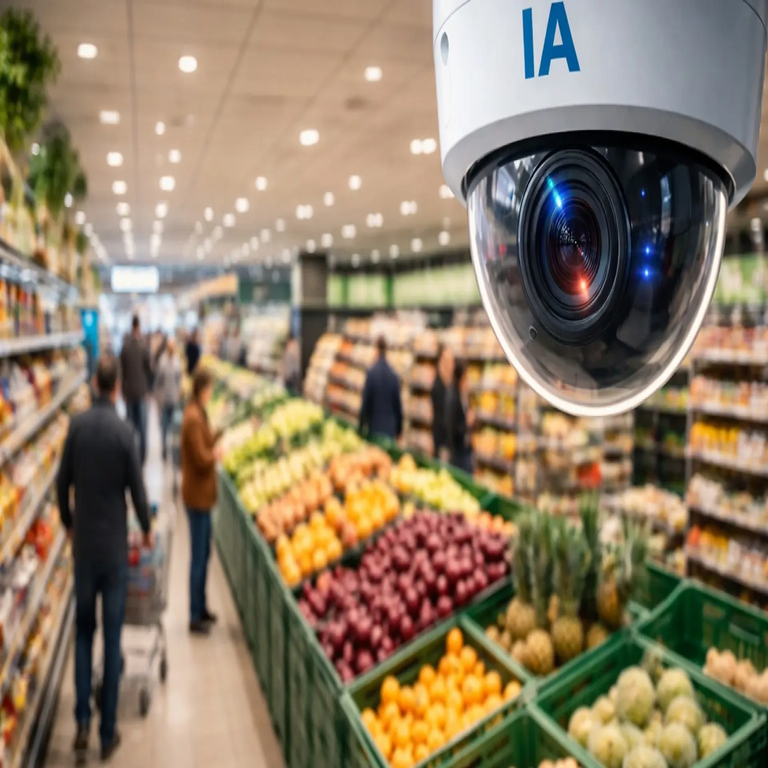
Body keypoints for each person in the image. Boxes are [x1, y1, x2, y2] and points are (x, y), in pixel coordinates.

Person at [56, 353, 151, 764]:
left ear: (96, 383)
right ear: (117, 388)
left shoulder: (76, 427)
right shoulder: (124, 432)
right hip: (113, 551)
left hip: (83, 550)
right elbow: (138, 490)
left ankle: (81, 719)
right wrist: (146, 527)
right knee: (112, 639)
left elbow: (61, 484)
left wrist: (68, 523)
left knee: (83, 632)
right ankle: (107, 732)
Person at [181, 368, 221, 635]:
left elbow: (203, 443)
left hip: (201, 497)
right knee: (198, 557)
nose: (212, 393)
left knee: (204, 553)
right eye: (210, 388)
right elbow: (200, 458)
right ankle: (195, 615)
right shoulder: (194, 417)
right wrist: (216, 454)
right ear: (203, 389)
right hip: (197, 498)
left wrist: (219, 435)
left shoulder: (198, 413)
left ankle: (202, 606)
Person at [119, 316, 151, 465]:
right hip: (141, 393)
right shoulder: (144, 347)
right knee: (143, 428)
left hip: (129, 393)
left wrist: (122, 390)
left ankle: (131, 457)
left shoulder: (125, 347)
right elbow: (149, 369)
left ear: (131, 326)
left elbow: (122, 371)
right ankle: (142, 458)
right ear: (139, 326)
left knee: (130, 427)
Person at [359, 337, 403, 441]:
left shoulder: (371, 373)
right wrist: (399, 431)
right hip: (390, 431)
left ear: (376, 350)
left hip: (374, 428)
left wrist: (361, 428)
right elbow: (398, 407)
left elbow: (365, 403)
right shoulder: (394, 376)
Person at [156, 338, 183, 461]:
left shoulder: (177, 361)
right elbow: (159, 380)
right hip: (164, 400)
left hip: (174, 399)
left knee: (174, 428)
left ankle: (173, 451)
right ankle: (164, 450)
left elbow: (179, 379)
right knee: (164, 427)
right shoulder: (162, 361)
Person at [446, 360, 475, 473]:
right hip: (458, 453)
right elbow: (452, 428)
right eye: (466, 377)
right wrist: (466, 423)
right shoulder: (453, 399)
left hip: (466, 449)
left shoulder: (466, 396)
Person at [431, 345, 454, 461]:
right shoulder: (438, 386)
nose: (451, 365)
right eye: (447, 361)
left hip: (449, 442)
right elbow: (441, 418)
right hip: (441, 442)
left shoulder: (450, 385)